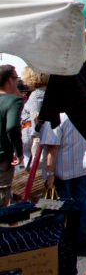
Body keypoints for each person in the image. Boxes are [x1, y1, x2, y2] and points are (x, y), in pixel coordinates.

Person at [41, 113, 86, 247]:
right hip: (83, 166)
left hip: (62, 170)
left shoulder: (56, 117)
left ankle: (56, 239)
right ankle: (85, 236)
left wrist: (49, 173)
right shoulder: (84, 112)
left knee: (57, 205)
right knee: (82, 201)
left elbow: (52, 148)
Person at [0, 64, 23, 207]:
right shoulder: (13, 101)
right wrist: (18, 152)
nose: (17, 82)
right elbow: (12, 127)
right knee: (2, 197)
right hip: (3, 158)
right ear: (9, 80)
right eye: (16, 78)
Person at [20, 67, 47, 170]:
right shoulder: (46, 93)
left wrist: (35, 135)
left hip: (31, 133)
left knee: (31, 165)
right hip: (42, 133)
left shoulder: (36, 95)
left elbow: (35, 118)